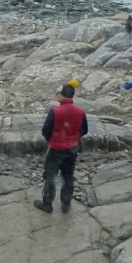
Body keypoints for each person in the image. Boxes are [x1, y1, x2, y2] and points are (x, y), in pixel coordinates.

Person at [34, 82, 89, 214]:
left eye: (58, 93)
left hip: (56, 149)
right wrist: (73, 137)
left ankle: (47, 204)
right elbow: (84, 130)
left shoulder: (55, 111)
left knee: (50, 176)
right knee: (68, 176)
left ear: (63, 95)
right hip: (72, 149)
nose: (56, 95)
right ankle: (66, 204)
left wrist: (52, 140)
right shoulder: (80, 112)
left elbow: (46, 130)